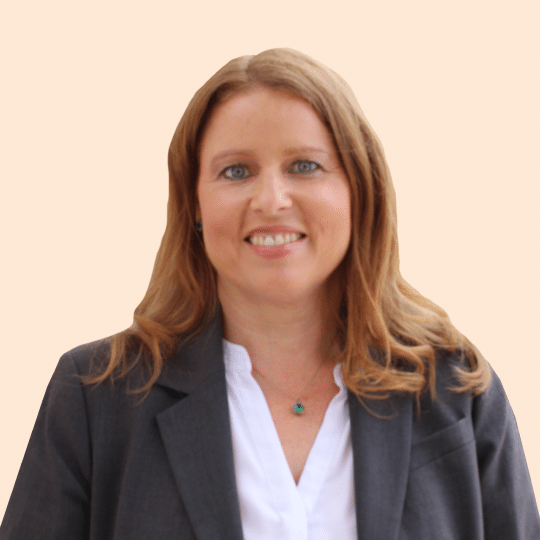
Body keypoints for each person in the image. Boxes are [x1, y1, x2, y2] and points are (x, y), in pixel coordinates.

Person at [1, 48, 538, 540]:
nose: (271, 199)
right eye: (236, 171)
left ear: (359, 188)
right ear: (193, 204)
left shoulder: (456, 389)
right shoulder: (97, 398)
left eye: (304, 166)